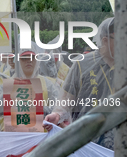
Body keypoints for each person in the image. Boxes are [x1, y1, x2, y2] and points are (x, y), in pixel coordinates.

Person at [44, 18, 115, 149]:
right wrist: (57, 115)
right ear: (105, 40)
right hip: (89, 143)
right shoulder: (82, 64)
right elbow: (65, 99)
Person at [0, 47, 59, 130]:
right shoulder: (9, 83)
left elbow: (58, 108)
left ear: (36, 61)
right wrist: (9, 92)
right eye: (24, 58)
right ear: (19, 61)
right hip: (14, 137)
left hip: (39, 137)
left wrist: (40, 109)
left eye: (32, 58)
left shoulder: (47, 84)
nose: (28, 61)